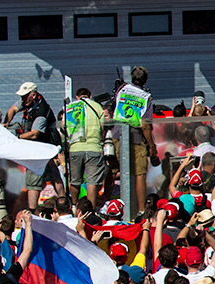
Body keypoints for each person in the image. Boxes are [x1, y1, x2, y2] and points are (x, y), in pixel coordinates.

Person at [109, 65, 157, 212]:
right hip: (136, 138)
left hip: (118, 134)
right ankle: (141, 210)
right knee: (140, 175)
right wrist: (151, 146)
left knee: (116, 171)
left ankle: (111, 205)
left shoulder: (121, 89)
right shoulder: (145, 97)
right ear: (145, 80)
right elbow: (145, 125)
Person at [13, 82, 60, 208]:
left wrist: (16, 138)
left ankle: (32, 211)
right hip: (46, 148)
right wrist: (7, 123)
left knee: (33, 181)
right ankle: (64, 202)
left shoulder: (41, 111)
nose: (22, 99)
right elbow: (13, 109)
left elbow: (34, 134)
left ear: (33, 95)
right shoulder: (28, 102)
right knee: (55, 176)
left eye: (24, 96)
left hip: (40, 148)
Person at [63, 86, 106, 205]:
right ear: (90, 96)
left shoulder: (70, 107)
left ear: (77, 97)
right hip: (94, 147)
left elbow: (63, 127)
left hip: (75, 148)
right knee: (92, 182)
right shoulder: (97, 106)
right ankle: (90, 210)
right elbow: (102, 127)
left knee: (75, 181)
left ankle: (74, 206)